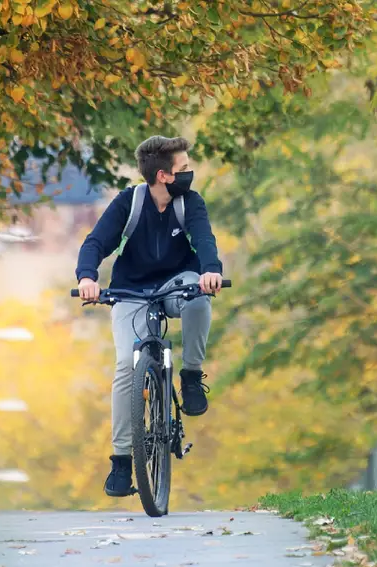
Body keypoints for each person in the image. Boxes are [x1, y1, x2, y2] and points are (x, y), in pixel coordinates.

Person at [74, 135, 224, 497]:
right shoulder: (130, 203)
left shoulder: (190, 203)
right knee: (126, 364)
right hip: (131, 292)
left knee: (199, 298)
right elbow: (95, 243)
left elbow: (204, 240)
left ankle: (189, 376)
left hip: (176, 286)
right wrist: (87, 277)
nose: (189, 174)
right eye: (184, 169)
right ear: (163, 175)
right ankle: (123, 462)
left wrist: (210, 270)